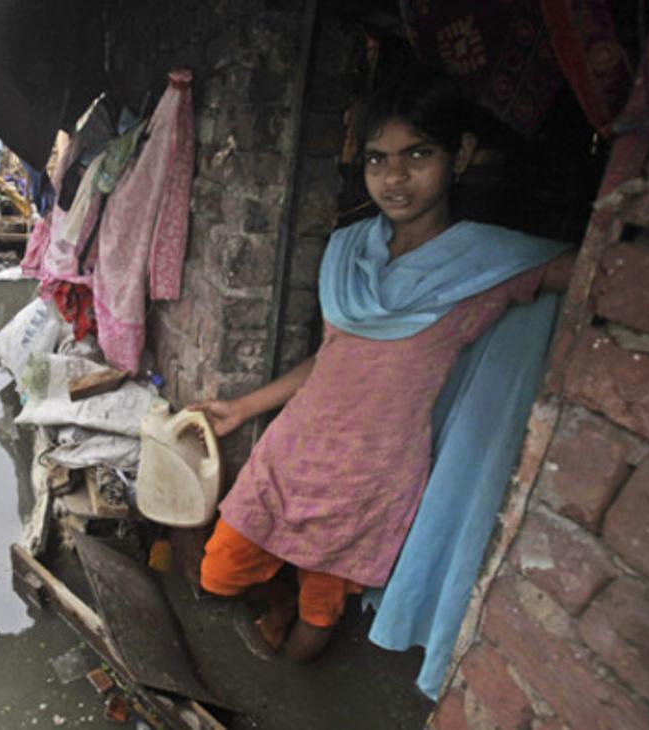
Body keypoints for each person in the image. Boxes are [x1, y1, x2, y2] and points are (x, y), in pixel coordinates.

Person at [190, 70, 575, 663]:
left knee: (318, 620)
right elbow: (335, 359)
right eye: (377, 159)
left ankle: (283, 681)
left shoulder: (488, 264)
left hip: (373, 477)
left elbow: (595, 274)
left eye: (417, 154)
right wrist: (243, 408)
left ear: (460, 155)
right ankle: (276, 603)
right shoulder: (349, 251)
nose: (394, 177)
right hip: (296, 450)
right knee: (219, 571)